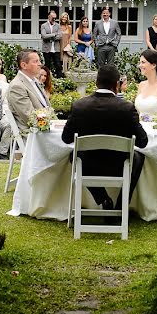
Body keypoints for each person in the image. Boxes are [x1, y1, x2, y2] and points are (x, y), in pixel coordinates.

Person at [62, 64, 149, 211]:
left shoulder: (79, 106)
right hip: (119, 166)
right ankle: (121, 206)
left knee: (73, 156)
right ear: (117, 84)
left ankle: (103, 198)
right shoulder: (126, 108)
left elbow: (66, 138)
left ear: (96, 83)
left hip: (87, 166)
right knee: (139, 158)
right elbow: (142, 142)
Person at [8, 49, 50, 133]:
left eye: (39, 61)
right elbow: (29, 116)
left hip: (45, 127)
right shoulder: (17, 86)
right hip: (32, 133)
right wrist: (51, 125)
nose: (40, 64)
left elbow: (46, 106)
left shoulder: (35, 80)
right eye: (36, 61)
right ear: (24, 65)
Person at [40, 10, 63, 79]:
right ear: (48, 16)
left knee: (58, 65)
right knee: (47, 65)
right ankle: (46, 79)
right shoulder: (44, 25)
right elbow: (44, 36)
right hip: (46, 48)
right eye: (52, 17)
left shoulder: (58, 25)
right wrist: (54, 34)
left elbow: (60, 36)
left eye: (54, 17)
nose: (53, 19)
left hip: (56, 48)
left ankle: (59, 79)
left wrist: (49, 36)